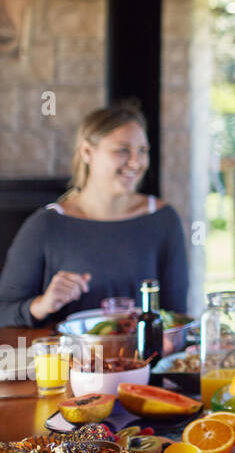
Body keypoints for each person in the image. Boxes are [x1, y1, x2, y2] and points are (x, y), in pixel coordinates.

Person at [0, 103, 189, 326]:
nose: (136, 162)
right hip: (69, 360)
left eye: (142, 151)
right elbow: (4, 312)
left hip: (144, 359)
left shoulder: (163, 220)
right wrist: (43, 304)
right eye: (122, 150)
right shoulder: (45, 225)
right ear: (87, 152)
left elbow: (177, 316)